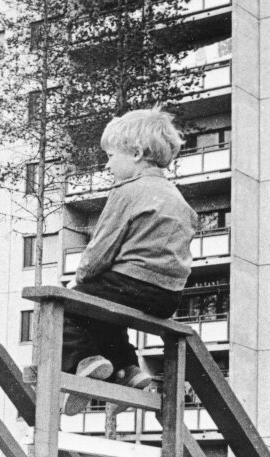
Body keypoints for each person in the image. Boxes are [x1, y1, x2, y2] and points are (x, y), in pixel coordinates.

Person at [61, 107, 198, 415]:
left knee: (65, 305)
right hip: (167, 296)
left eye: (111, 156)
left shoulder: (127, 191)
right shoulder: (178, 199)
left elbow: (101, 248)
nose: (107, 165)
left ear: (136, 154)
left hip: (130, 282)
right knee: (106, 313)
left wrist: (78, 280)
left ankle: (81, 364)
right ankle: (128, 370)